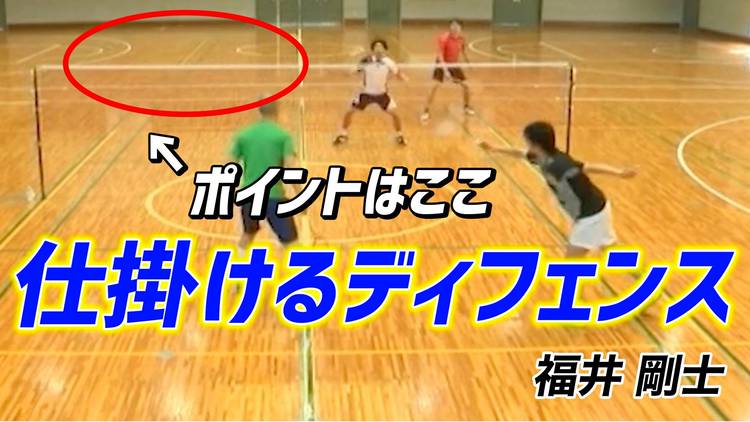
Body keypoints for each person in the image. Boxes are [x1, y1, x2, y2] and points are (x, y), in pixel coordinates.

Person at [478, 121, 637, 258]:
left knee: (570, 263)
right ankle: (642, 276)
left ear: (536, 144)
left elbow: (587, 167)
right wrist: (494, 148)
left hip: (590, 215)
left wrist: (619, 173)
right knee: (610, 249)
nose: (526, 144)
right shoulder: (541, 156)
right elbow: (520, 153)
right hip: (597, 208)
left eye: (527, 141)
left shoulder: (560, 165)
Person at [230, 100, 298, 251]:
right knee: (290, 242)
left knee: (249, 233)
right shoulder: (282, 136)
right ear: (277, 111)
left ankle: (236, 260)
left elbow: (230, 165)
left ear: (259, 111)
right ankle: (288, 266)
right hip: (273, 195)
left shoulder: (243, 135)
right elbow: (290, 167)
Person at [335, 39, 408, 146]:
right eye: (376, 47)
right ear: (373, 49)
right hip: (366, 94)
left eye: (381, 47)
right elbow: (355, 70)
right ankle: (343, 134)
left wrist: (404, 78)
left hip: (382, 94)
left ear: (385, 49)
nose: (378, 49)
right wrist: (347, 71)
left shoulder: (389, 62)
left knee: (395, 114)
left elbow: (398, 74)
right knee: (349, 112)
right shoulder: (367, 61)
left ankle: (399, 136)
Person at [420, 19, 475, 123]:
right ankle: (425, 111)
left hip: (454, 64)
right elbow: (440, 55)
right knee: (433, 87)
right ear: (450, 27)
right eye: (452, 26)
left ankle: (466, 107)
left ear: (461, 28)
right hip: (442, 64)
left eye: (457, 26)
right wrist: (445, 70)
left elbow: (462, 51)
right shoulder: (443, 38)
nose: (454, 28)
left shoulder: (461, 39)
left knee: (466, 86)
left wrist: (468, 63)